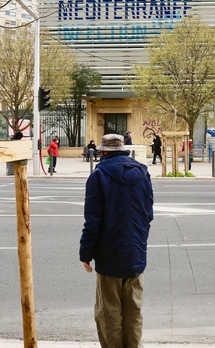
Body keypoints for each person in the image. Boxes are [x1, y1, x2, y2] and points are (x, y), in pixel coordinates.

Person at [79, 133, 154, 348]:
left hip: (109, 252)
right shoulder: (142, 172)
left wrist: (86, 254)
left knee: (108, 311)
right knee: (134, 309)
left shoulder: (99, 176)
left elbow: (92, 222)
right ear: (124, 149)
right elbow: (148, 213)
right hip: (136, 251)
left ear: (103, 152)